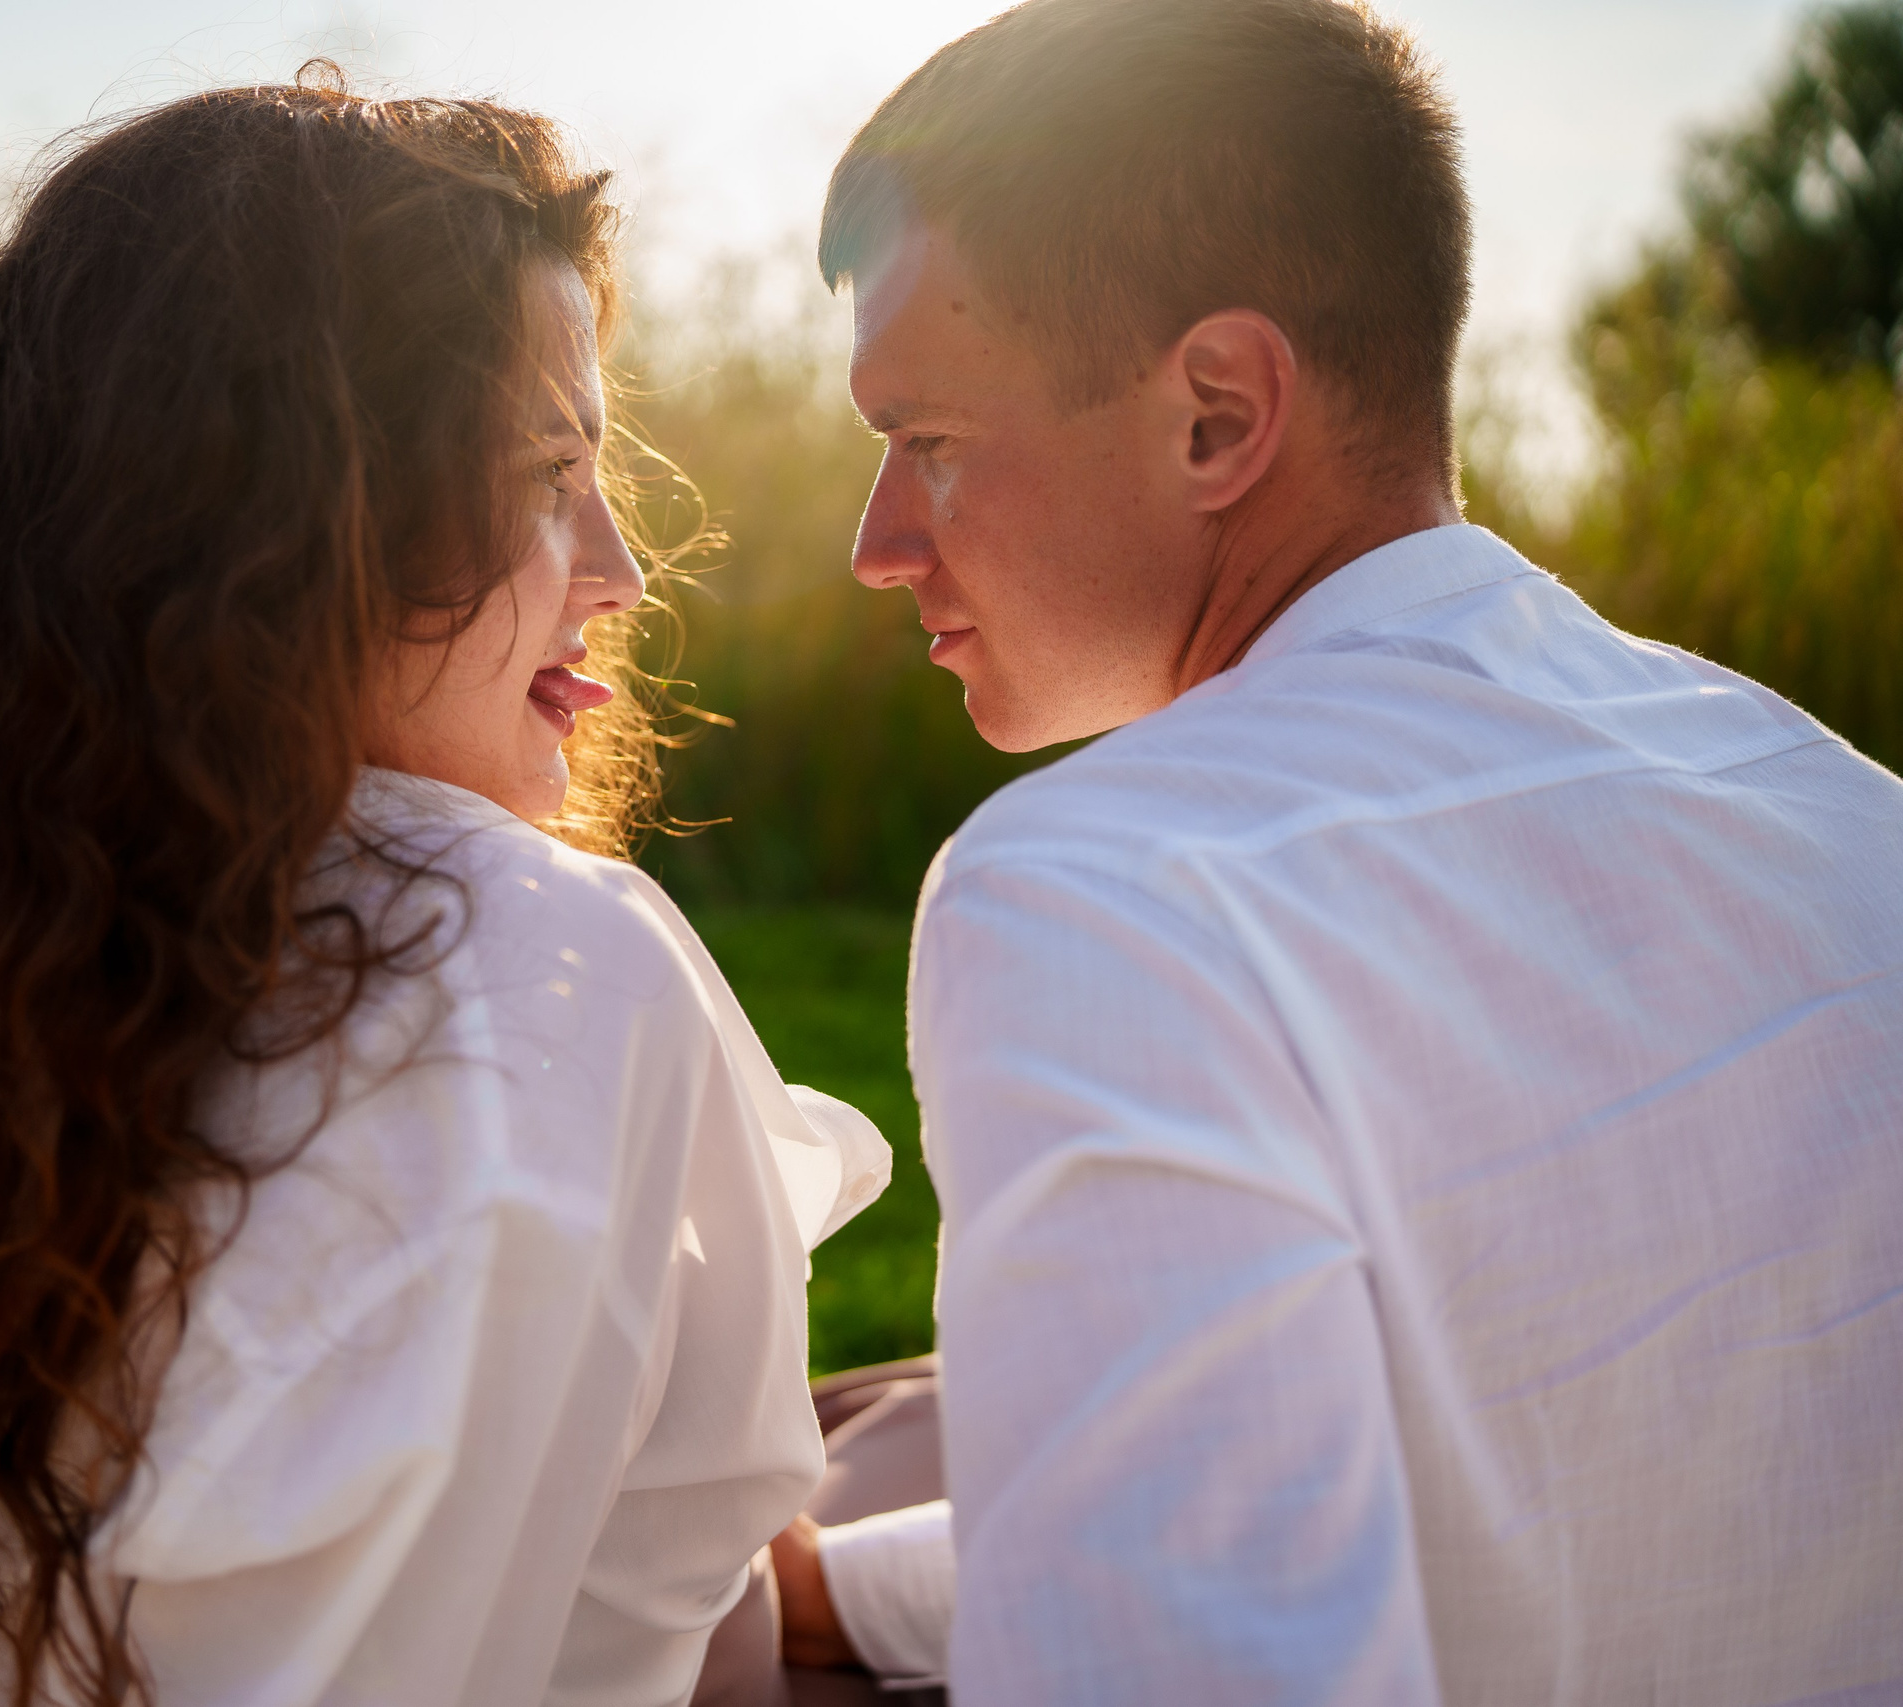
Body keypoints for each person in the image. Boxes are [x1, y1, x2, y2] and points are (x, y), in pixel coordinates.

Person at [0, 81, 891, 1707]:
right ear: (303, 523)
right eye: (544, 471)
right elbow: (709, 1628)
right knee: (944, 1433)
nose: (622, 566)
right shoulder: (560, 969)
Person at [773, 0, 1903, 1700]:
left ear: (1220, 412)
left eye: (928, 442)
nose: (877, 545)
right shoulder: (1841, 812)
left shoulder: (1107, 894)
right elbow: (1503, 1440)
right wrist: (846, 1601)